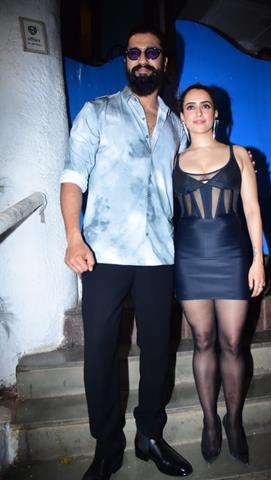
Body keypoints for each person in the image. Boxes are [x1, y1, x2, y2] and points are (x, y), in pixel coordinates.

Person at [60, 25, 192, 480]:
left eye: (151, 52)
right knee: (99, 350)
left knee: (158, 349)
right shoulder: (97, 112)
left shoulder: (178, 125)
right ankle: (107, 443)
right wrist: (74, 238)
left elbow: (194, 177)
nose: (142, 59)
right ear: (126, 61)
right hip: (105, 252)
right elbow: (73, 178)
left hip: (159, 255)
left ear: (164, 62)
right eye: (133, 52)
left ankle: (149, 436)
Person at [173, 84, 265, 465]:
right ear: (182, 117)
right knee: (203, 340)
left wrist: (258, 259)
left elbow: (253, 211)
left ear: (216, 114)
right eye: (190, 107)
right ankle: (210, 421)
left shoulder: (239, 155)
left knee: (231, 342)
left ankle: (235, 420)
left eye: (204, 106)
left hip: (232, 257)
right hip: (189, 258)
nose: (197, 112)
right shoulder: (170, 159)